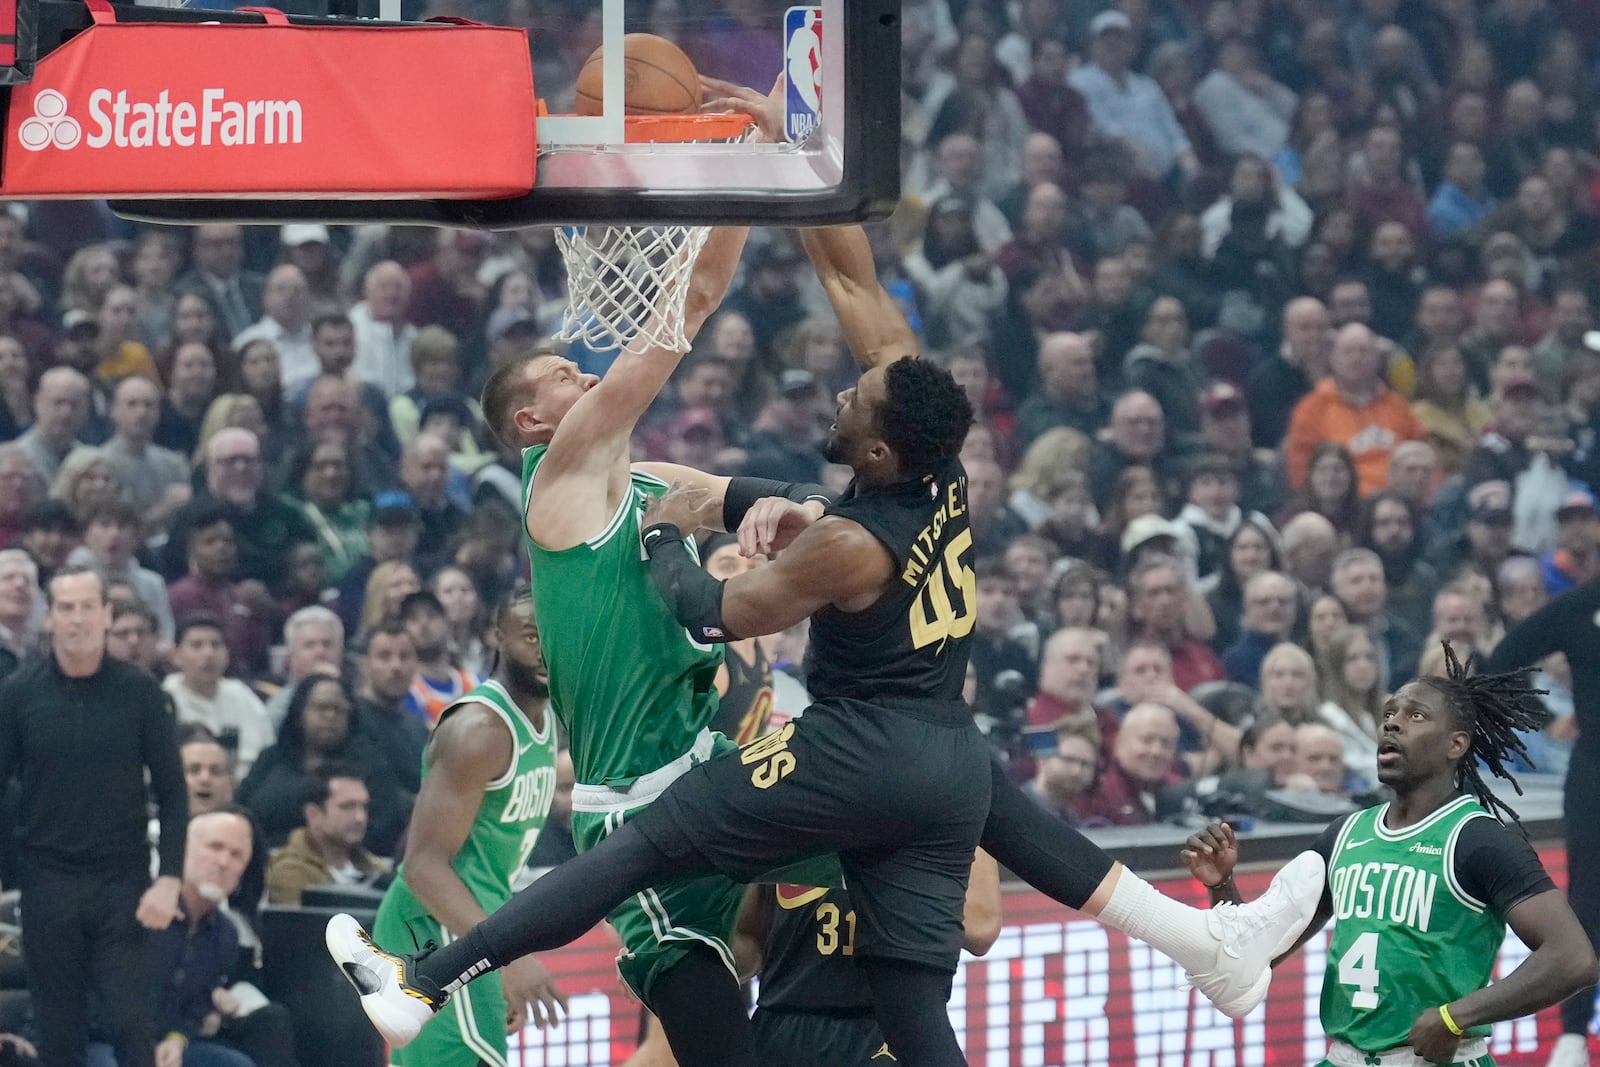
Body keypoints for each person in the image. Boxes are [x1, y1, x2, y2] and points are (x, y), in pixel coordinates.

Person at [328, 214, 1324, 1062]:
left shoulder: (806, 524)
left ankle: (424, 977)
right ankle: (1205, 938)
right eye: (562, 370)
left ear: (881, 448)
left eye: (855, 403)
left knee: (842, 948)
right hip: (763, 760)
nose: (842, 392)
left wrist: (754, 184)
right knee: (911, 944)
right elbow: (816, 319)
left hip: (802, 754)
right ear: (539, 420)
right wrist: (795, 172)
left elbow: (722, 604)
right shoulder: (581, 470)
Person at [1182, 646, 1596, 1067]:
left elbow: (1574, 958)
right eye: (1389, 715)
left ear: (1456, 744)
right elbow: (1254, 953)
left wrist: (1457, 1017)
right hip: (1344, 1058)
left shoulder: (1479, 839)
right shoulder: (1343, 835)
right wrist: (1222, 886)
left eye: (1415, 716)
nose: (1393, 723)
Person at [370, 588, 568, 1067]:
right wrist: (510, 958)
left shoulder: (546, 715)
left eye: (556, 636)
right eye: (530, 637)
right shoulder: (480, 730)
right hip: (430, 930)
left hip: (474, 928)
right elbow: (422, 866)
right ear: (496, 638)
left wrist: (502, 955)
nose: (545, 650)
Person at [0, 565, 188, 1067]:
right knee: (60, 1030)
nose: (77, 618)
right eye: (66, 607)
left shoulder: (142, 692)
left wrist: (169, 877)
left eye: (88, 606)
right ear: (50, 617)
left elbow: (172, 792)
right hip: (46, 877)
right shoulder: (19, 693)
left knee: (130, 1021)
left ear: (107, 615)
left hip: (121, 878)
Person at [740, 851, 1003, 1067]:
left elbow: (982, 929)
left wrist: (884, 877)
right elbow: (748, 945)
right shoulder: (786, 810)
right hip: (786, 1022)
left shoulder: (946, 806)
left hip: (889, 1024)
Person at [141, 809, 299, 1067]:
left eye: (237, 855)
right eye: (214, 847)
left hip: (173, 1044)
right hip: (110, 1038)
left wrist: (176, 1039)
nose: (224, 861)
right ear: (181, 849)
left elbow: (195, 1010)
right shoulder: (140, 908)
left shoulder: (226, 934)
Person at [163, 613, 276, 778]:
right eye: (197, 645)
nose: (208, 653)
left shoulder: (242, 695)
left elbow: (269, 754)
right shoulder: (163, 699)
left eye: (216, 645)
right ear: (177, 655)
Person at [265, 765, 388, 904]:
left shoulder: (376, 869)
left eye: (364, 807)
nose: (360, 818)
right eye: (347, 807)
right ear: (313, 814)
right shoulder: (290, 873)